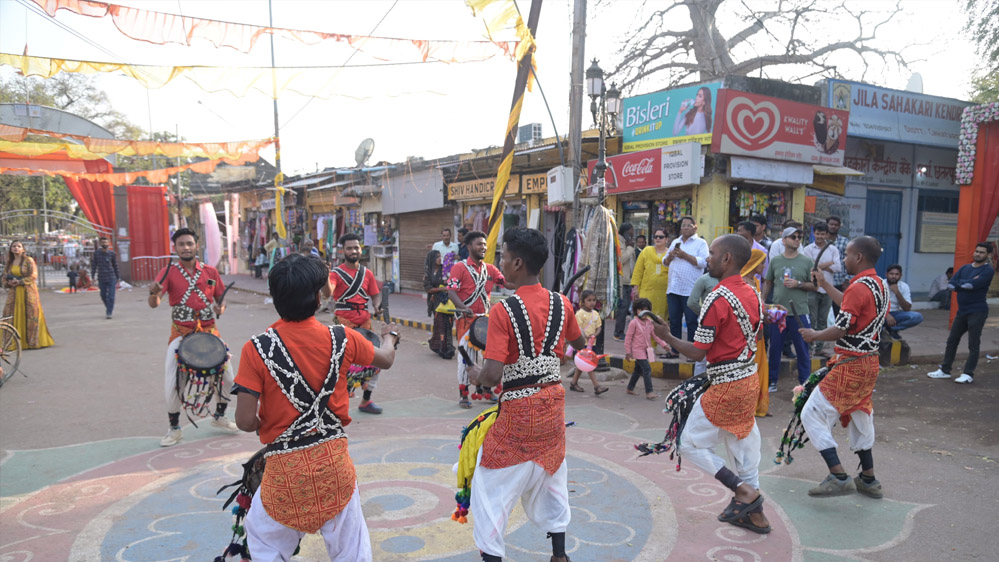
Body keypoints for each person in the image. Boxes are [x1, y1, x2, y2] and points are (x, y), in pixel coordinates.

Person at [233, 252, 400, 562]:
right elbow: (386, 359)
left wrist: (265, 423)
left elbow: (244, 421)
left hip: (284, 472)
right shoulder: (343, 338)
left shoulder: (256, 349)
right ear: (318, 298)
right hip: (334, 467)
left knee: (264, 544)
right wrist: (389, 337)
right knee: (352, 552)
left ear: (276, 298)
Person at [466, 227, 586, 562]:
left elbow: (492, 375)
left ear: (518, 262)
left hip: (519, 413)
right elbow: (579, 344)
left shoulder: (503, 310)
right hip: (552, 407)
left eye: (503, 256)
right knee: (553, 476)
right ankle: (559, 555)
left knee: (489, 487)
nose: (501, 263)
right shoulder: (562, 303)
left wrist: (476, 376)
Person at [652, 234, 771, 534]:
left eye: (713, 253)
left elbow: (697, 352)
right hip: (749, 379)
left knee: (688, 443)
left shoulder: (716, 298)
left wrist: (667, 336)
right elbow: (757, 335)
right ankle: (756, 515)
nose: (708, 258)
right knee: (744, 448)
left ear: (727, 259)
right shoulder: (753, 292)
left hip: (726, 386)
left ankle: (743, 491)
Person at [799, 236, 890, 499]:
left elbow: (842, 328)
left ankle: (838, 476)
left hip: (850, 365)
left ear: (858, 257)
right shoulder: (879, 284)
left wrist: (815, 335)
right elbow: (852, 307)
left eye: (847, 254)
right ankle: (869, 479)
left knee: (811, 413)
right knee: (860, 415)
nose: (844, 259)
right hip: (869, 363)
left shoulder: (858, 287)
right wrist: (825, 284)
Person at [148, 228, 238, 447]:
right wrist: (153, 294)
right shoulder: (168, 272)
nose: (186, 247)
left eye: (189, 243)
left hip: (209, 334)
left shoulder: (210, 272)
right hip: (181, 334)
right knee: (173, 381)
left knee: (228, 378)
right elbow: (154, 303)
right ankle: (174, 428)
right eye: (181, 244)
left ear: (197, 246)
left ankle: (219, 416)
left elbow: (221, 301)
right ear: (175, 248)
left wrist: (220, 308)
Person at [447, 230, 512, 408]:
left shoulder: (490, 269)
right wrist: (463, 308)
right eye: (479, 244)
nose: (483, 247)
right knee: (467, 358)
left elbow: (506, 283)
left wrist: (526, 281)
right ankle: (464, 394)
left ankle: (486, 389)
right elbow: (451, 292)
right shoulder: (459, 268)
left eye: (484, 244)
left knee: (489, 357)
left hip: (485, 321)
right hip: (465, 321)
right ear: (469, 247)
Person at [322, 233, 383, 414]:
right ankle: (339, 405)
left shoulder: (367, 273)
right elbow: (328, 293)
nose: (353, 251)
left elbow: (375, 294)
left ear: (360, 249)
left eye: (356, 247)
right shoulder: (335, 274)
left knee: (375, 363)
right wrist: (325, 277)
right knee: (344, 366)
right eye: (349, 248)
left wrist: (377, 305)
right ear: (343, 251)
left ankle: (366, 401)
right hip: (344, 324)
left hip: (365, 324)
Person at [927, 243, 995, 384]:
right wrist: (965, 283)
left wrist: (963, 284)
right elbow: (952, 284)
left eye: (982, 252)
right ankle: (945, 370)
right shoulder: (965, 268)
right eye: (976, 251)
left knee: (973, 343)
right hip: (962, 311)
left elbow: (970, 285)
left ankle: (968, 374)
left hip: (977, 311)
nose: (978, 254)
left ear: (988, 255)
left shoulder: (988, 270)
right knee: (952, 340)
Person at [762, 226, 816, 391]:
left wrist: (798, 284)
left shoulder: (806, 261)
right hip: (778, 312)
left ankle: (805, 383)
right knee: (775, 348)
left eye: (799, 237)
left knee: (802, 348)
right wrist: (762, 300)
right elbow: (768, 282)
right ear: (784, 240)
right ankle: (772, 380)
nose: (797, 240)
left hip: (799, 311)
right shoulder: (776, 261)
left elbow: (815, 285)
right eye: (793, 237)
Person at [663, 216, 709, 346]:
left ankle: (692, 350)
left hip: (690, 289)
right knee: (674, 321)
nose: (686, 228)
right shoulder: (675, 242)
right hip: (673, 288)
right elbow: (665, 262)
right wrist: (670, 257)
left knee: (691, 321)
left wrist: (684, 256)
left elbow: (704, 262)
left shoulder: (701, 243)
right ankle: (674, 350)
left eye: (689, 225)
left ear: (695, 227)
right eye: (683, 225)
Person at [3, 240, 54, 349]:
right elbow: (4, 276)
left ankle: (31, 342)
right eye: (14, 246)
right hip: (14, 293)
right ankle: (12, 342)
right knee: (10, 314)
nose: (16, 248)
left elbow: (33, 275)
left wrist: (20, 281)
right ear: (11, 249)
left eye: (18, 246)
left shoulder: (28, 260)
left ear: (23, 249)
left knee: (31, 315)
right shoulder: (9, 262)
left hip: (28, 291)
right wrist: (8, 283)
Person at [801, 222, 841, 356]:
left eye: (822, 234)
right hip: (813, 289)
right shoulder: (808, 249)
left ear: (826, 235)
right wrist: (828, 263)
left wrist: (818, 265)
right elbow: (810, 267)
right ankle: (809, 348)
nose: (820, 236)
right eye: (817, 234)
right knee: (811, 319)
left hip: (828, 290)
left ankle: (818, 348)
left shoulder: (833, 249)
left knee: (823, 320)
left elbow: (837, 267)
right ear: (814, 234)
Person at [740, 249, 770, 417]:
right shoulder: (742, 282)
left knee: (759, 365)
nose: (764, 266)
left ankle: (758, 405)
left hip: (759, 330)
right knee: (750, 367)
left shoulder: (755, 282)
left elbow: (761, 305)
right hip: (748, 332)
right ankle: (747, 405)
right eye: (761, 263)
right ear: (754, 263)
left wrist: (772, 309)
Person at [630, 227, 671, 348]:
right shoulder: (647, 251)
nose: (658, 239)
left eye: (661, 237)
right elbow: (638, 271)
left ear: (667, 239)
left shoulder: (670, 254)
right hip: (646, 291)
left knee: (658, 319)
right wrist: (635, 288)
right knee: (643, 318)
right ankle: (641, 345)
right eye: (655, 236)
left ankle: (653, 346)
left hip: (662, 293)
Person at [624, 298, 668, 399]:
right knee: (647, 369)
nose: (643, 312)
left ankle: (630, 388)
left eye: (645, 310)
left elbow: (655, 336)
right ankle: (649, 391)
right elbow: (628, 338)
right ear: (636, 310)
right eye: (641, 309)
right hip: (637, 350)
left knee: (637, 370)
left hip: (646, 350)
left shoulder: (649, 322)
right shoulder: (633, 323)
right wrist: (628, 352)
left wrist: (664, 344)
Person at [568, 290, 606, 395]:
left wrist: (595, 335)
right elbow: (578, 328)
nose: (592, 302)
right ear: (583, 301)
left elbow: (599, 327)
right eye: (589, 300)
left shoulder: (595, 314)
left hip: (591, 344)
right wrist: (585, 335)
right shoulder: (579, 314)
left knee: (582, 364)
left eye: (594, 300)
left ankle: (573, 383)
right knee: (588, 363)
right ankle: (597, 386)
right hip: (581, 343)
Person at [686, 272, 719, 376]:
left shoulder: (731, 278)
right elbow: (691, 302)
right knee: (702, 356)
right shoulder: (704, 279)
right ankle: (699, 382)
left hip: (722, 322)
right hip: (707, 322)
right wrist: (705, 314)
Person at [424, 249, 455, 360]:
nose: (439, 259)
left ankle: (448, 347)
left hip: (447, 302)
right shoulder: (428, 273)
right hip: (436, 303)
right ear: (432, 259)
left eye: (440, 256)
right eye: (437, 257)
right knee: (440, 325)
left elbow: (451, 281)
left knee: (448, 325)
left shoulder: (445, 269)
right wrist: (441, 288)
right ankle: (442, 348)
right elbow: (428, 289)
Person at [884, 264, 923, 339]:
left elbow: (907, 308)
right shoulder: (880, 284)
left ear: (900, 276)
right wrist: (886, 314)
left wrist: (897, 293)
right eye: (891, 274)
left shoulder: (904, 286)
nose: (894, 276)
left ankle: (891, 329)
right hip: (880, 315)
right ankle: (880, 330)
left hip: (895, 314)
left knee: (917, 317)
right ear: (886, 274)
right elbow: (873, 305)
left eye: (896, 274)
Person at [614, 223, 637, 341]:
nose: (633, 233)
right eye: (631, 231)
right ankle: (618, 333)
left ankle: (621, 331)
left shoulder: (628, 243)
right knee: (623, 307)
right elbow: (621, 259)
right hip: (622, 281)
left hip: (629, 280)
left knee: (626, 306)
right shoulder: (620, 242)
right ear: (626, 231)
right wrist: (630, 248)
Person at [91, 236, 120, 320]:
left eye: (106, 242)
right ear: (100, 243)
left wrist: (118, 277)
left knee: (111, 296)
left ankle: (109, 312)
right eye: (103, 242)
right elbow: (94, 265)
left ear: (108, 243)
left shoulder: (112, 253)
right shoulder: (97, 254)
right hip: (101, 277)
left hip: (111, 277)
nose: (105, 244)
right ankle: (109, 307)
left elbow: (115, 266)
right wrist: (92, 276)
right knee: (103, 295)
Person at [826, 216, 850, 312]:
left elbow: (848, 261)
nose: (833, 227)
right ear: (827, 225)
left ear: (839, 226)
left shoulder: (844, 242)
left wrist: (847, 279)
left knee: (839, 310)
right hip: (824, 282)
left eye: (836, 225)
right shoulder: (821, 241)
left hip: (839, 282)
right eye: (831, 224)